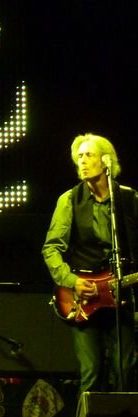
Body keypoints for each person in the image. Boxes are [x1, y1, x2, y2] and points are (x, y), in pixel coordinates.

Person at [41, 133, 138, 394]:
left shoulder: (129, 199)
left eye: (89, 155)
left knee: (125, 370)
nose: (82, 161)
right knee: (91, 373)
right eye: (79, 156)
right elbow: (51, 248)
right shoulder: (69, 199)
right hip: (83, 298)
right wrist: (72, 281)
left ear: (106, 161)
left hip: (121, 295)